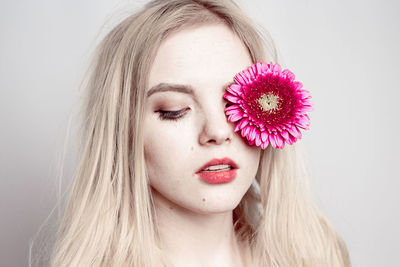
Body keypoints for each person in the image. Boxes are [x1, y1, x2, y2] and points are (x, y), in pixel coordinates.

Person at [48, 0, 351, 266]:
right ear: (122, 133)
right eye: (174, 110)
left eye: (235, 101)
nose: (218, 132)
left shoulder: (319, 258)